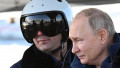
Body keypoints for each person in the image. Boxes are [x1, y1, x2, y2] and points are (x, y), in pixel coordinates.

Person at [10, 0, 74, 68]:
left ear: (65, 29)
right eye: (32, 28)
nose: (39, 33)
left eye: (49, 27)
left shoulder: (84, 60)